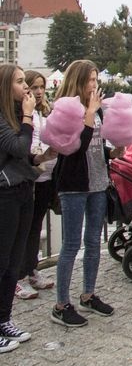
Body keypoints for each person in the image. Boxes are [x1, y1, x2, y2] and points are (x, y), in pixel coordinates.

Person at [51, 60, 118, 327]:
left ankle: (88, 294)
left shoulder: (95, 109)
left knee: (93, 241)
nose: (95, 84)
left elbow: (96, 146)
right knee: (70, 245)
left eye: (96, 79)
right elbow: (74, 150)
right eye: (90, 80)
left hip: (98, 182)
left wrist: (113, 153)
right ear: (78, 81)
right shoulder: (66, 110)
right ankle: (60, 304)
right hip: (74, 185)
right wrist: (89, 114)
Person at [0, 65, 41, 352]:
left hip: (24, 189)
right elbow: (17, 146)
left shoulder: (15, 115)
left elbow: (25, 152)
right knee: (2, 262)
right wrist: (28, 115)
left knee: (13, 263)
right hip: (5, 194)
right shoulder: (4, 117)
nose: (25, 86)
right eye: (19, 82)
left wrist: (43, 158)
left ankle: (4, 319)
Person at [16, 71, 58, 300]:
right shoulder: (23, 114)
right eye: (34, 87)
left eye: (42, 87)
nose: (39, 91)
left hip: (45, 177)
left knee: (34, 227)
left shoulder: (46, 112)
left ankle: (31, 269)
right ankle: (17, 277)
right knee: (22, 229)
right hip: (29, 176)